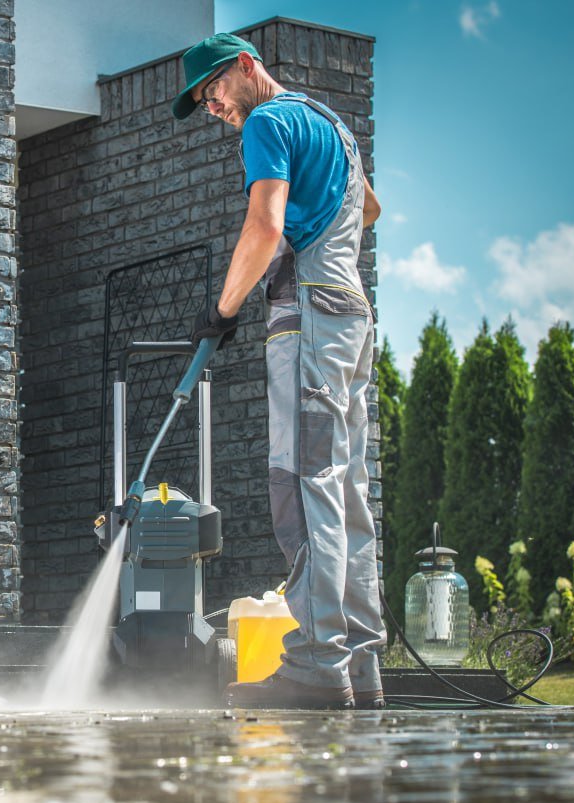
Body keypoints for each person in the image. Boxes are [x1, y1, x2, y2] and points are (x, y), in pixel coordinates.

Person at [172, 33, 386, 709]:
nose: (214, 107)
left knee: (303, 483)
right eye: (205, 101)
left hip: (311, 320)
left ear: (245, 65)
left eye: (214, 89)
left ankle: (318, 663)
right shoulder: (333, 126)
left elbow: (263, 228)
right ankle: (361, 663)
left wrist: (223, 309)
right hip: (350, 312)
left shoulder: (267, 120)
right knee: (345, 491)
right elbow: (370, 210)